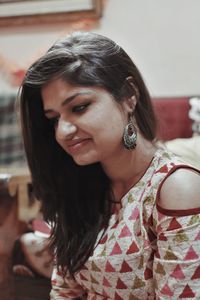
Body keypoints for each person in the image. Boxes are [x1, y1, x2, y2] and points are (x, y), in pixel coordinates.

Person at [19, 31, 200, 299]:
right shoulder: (82, 186)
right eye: (54, 118)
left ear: (129, 96)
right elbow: (64, 291)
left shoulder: (175, 187)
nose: (63, 131)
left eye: (79, 107)